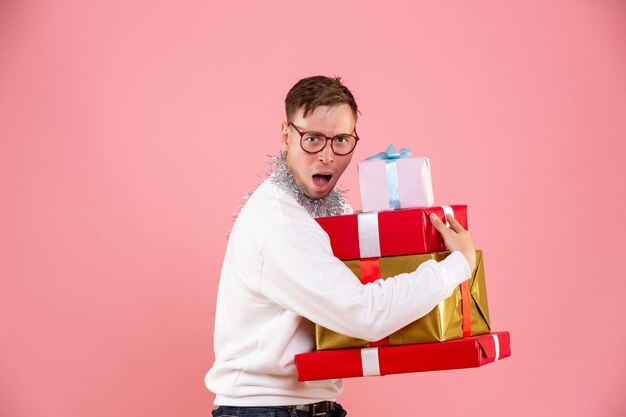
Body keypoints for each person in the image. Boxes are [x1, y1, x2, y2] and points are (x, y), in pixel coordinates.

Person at [205, 75, 477, 417]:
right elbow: (365, 315)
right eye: (313, 139)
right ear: (286, 135)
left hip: (312, 407)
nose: (327, 156)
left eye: (342, 140)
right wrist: (456, 265)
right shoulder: (280, 224)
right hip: (265, 410)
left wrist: (394, 209)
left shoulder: (323, 209)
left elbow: (368, 268)